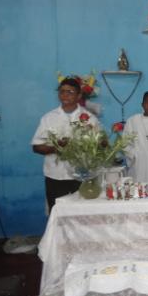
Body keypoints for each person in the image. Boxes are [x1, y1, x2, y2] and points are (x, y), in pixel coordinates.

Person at [32, 78, 100, 212]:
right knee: (57, 215)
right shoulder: (49, 118)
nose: (65, 95)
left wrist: (85, 147)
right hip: (55, 176)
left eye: (70, 92)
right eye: (62, 91)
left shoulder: (89, 118)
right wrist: (56, 148)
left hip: (82, 176)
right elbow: (36, 147)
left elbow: (98, 146)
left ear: (79, 95)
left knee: (83, 215)